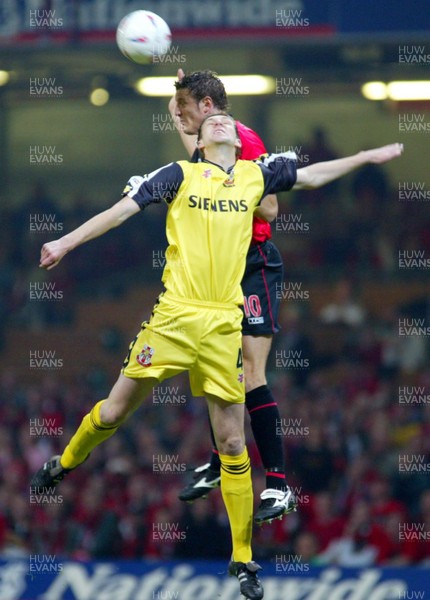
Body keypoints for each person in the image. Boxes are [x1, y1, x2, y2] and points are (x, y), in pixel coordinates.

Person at [31, 113, 403, 598]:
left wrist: (366, 157)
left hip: (223, 325)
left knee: (231, 443)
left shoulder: (255, 174)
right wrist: (65, 241)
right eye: (213, 122)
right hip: (173, 319)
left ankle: (244, 561)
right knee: (115, 411)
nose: (222, 122)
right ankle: (64, 462)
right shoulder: (178, 174)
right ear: (200, 141)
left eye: (226, 118)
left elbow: (312, 176)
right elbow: (120, 211)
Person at [169, 69, 296, 524]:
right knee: (217, 366)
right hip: (218, 268)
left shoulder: (244, 138)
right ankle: (224, 461)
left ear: (206, 108)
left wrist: (237, 189)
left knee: (251, 372)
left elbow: (270, 207)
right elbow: (206, 172)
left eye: (184, 107)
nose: (179, 114)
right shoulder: (210, 139)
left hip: (251, 264)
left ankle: (279, 486)